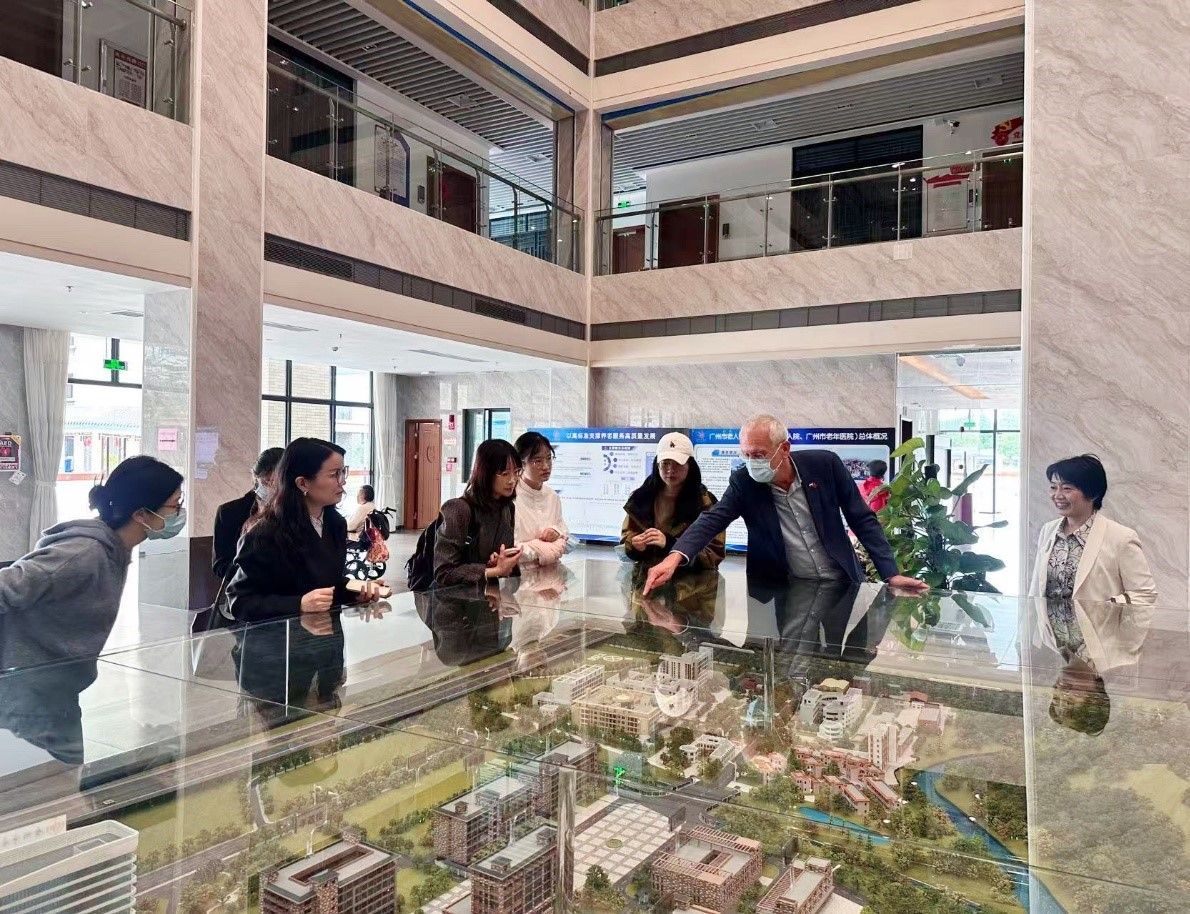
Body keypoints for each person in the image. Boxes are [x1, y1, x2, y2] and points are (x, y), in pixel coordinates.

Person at [644, 415, 927, 594]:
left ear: (785, 449)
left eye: (759, 454)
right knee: (786, 657)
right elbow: (712, 519)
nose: (752, 462)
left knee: (842, 656)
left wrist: (891, 574)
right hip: (786, 589)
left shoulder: (825, 466)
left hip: (841, 582)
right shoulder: (744, 482)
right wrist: (674, 557)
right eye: (746, 455)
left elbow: (861, 518)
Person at [0, 455, 184, 675]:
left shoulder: (115, 550)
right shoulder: (82, 554)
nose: (179, 513)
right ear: (141, 515)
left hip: (57, 688)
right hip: (22, 690)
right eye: (175, 505)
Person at [228, 438, 383, 622]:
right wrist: (299, 604)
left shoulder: (335, 524)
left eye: (343, 472)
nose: (342, 482)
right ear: (302, 483)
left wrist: (358, 591)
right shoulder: (265, 533)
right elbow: (240, 601)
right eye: (334, 474)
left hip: (327, 633)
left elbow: (329, 584)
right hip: (281, 637)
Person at [1029, 454, 1157, 605]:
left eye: (1067, 488)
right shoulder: (1048, 530)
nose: (1057, 495)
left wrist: (1107, 607)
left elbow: (1144, 594)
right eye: (1053, 487)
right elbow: (1036, 589)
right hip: (1047, 621)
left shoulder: (1121, 538)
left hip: (1097, 621)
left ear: (1092, 493)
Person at [621, 432, 725, 570]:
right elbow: (625, 542)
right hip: (647, 578)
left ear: (690, 466)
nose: (670, 470)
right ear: (657, 465)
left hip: (691, 582)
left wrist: (670, 545)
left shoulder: (705, 503)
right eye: (665, 463)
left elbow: (713, 554)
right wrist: (634, 546)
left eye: (677, 464)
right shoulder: (641, 499)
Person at [434, 439, 521, 587]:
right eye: (505, 473)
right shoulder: (458, 509)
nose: (512, 480)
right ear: (486, 473)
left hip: (487, 595)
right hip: (452, 599)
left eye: (517, 472)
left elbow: (504, 562)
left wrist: (499, 562)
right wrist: (493, 571)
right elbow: (443, 572)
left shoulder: (507, 508)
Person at [212, 446, 284, 581]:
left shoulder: (300, 510)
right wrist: (252, 573)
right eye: (267, 482)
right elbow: (220, 565)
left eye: (278, 483)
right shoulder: (229, 512)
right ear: (256, 478)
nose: (272, 488)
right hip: (245, 589)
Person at [513, 432, 569, 566]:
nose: (546, 466)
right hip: (518, 573)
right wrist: (545, 549)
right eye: (538, 461)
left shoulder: (552, 496)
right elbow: (510, 548)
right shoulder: (511, 497)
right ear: (521, 464)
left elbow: (565, 536)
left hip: (551, 571)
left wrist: (556, 532)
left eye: (549, 458)